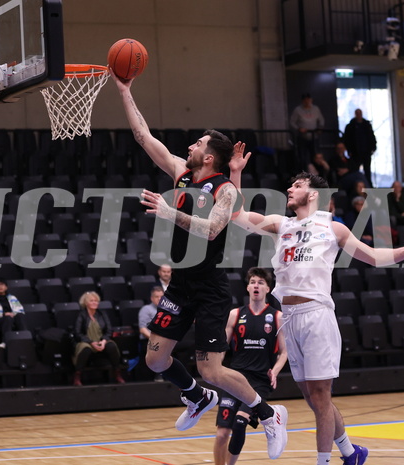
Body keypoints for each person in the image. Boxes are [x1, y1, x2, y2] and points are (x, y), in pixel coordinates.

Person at [112, 70, 288, 460]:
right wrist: (125, 90)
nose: (189, 146)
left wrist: (167, 211)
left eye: (197, 143)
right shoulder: (182, 174)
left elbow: (212, 230)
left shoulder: (223, 189)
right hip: (180, 284)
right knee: (155, 358)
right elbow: (144, 137)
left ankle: (269, 414)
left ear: (208, 156)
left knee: (211, 368)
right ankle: (196, 398)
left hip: (209, 287)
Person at [229, 144, 404, 465]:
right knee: (312, 398)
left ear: (312, 194)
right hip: (289, 318)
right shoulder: (281, 225)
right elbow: (236, 215)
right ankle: (351, 453)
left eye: (296, 186)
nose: (289, 189)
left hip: (316, 315)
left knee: (321, 397)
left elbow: (375, 258)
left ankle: (324, 461)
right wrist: (236, 172)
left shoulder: (333, 227)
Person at [213, 268, 287, 465]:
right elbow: (222, 348)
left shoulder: (277, 316)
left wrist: (276, 370)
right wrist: (215, 368)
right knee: (221, 434)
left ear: (268, 289)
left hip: (259, 381)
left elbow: (284, 352)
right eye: (253, 281)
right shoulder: (235, 314)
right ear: (247, 287)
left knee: (239, 423)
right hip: (234, 379)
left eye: (261, 282)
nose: (256, 285)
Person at [72, 291, 125, 386]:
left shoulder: (102, 314)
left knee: (111, 346)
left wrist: (104, 341)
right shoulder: (81, 315)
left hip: (101, 340)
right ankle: (77, 375)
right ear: (86, 303)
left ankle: (117, 373)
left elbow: (109, 330)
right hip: (86, 341)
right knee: (85, 349)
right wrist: (91, 342)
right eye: (92, 301)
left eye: (96, 301)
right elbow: (77, 333)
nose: (94, 303)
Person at [0, 278, 27, 347]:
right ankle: (5, 342)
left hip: (13, 318)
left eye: (3, 285)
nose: (1, 287)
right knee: (8, 318)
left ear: (6, 287)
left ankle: (25, 339)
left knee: (20, 316)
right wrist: (3, 314)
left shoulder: (12, 297)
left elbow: (21, 310)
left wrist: (13, 314)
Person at [290, 93, 325, 171]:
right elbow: (292, 122)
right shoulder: (298, 110)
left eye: (309, 100)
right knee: (302, 157)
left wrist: (320, 128)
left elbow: (321, 120)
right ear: (302, 101)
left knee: (315, 156)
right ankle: (303, 172)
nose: (307, 101)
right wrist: (299, 128)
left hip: (314, 137)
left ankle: (317, 173)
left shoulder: (316, 109)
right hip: (302, 137)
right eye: (305, 100)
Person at [343, 109, 377, 186]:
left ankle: (369, 186)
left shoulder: (367, 125)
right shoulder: (350, 126)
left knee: (367, 170)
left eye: (360, 113)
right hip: (355, 153)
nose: (359, 115)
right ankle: (357, 186)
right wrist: (349, 150)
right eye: (357, 114)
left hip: (366, 152)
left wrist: (373, 147)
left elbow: (371, 137)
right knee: (355, 170)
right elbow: (347, 139)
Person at [138, 286, 165, 381]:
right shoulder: (146, 309)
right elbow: (142, 329)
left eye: (161, 296)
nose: (159, 299)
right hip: (148, 339)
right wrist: (156, 340)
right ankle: (158, 374)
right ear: (152, 298)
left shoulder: (168, 309)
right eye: (156, 296)